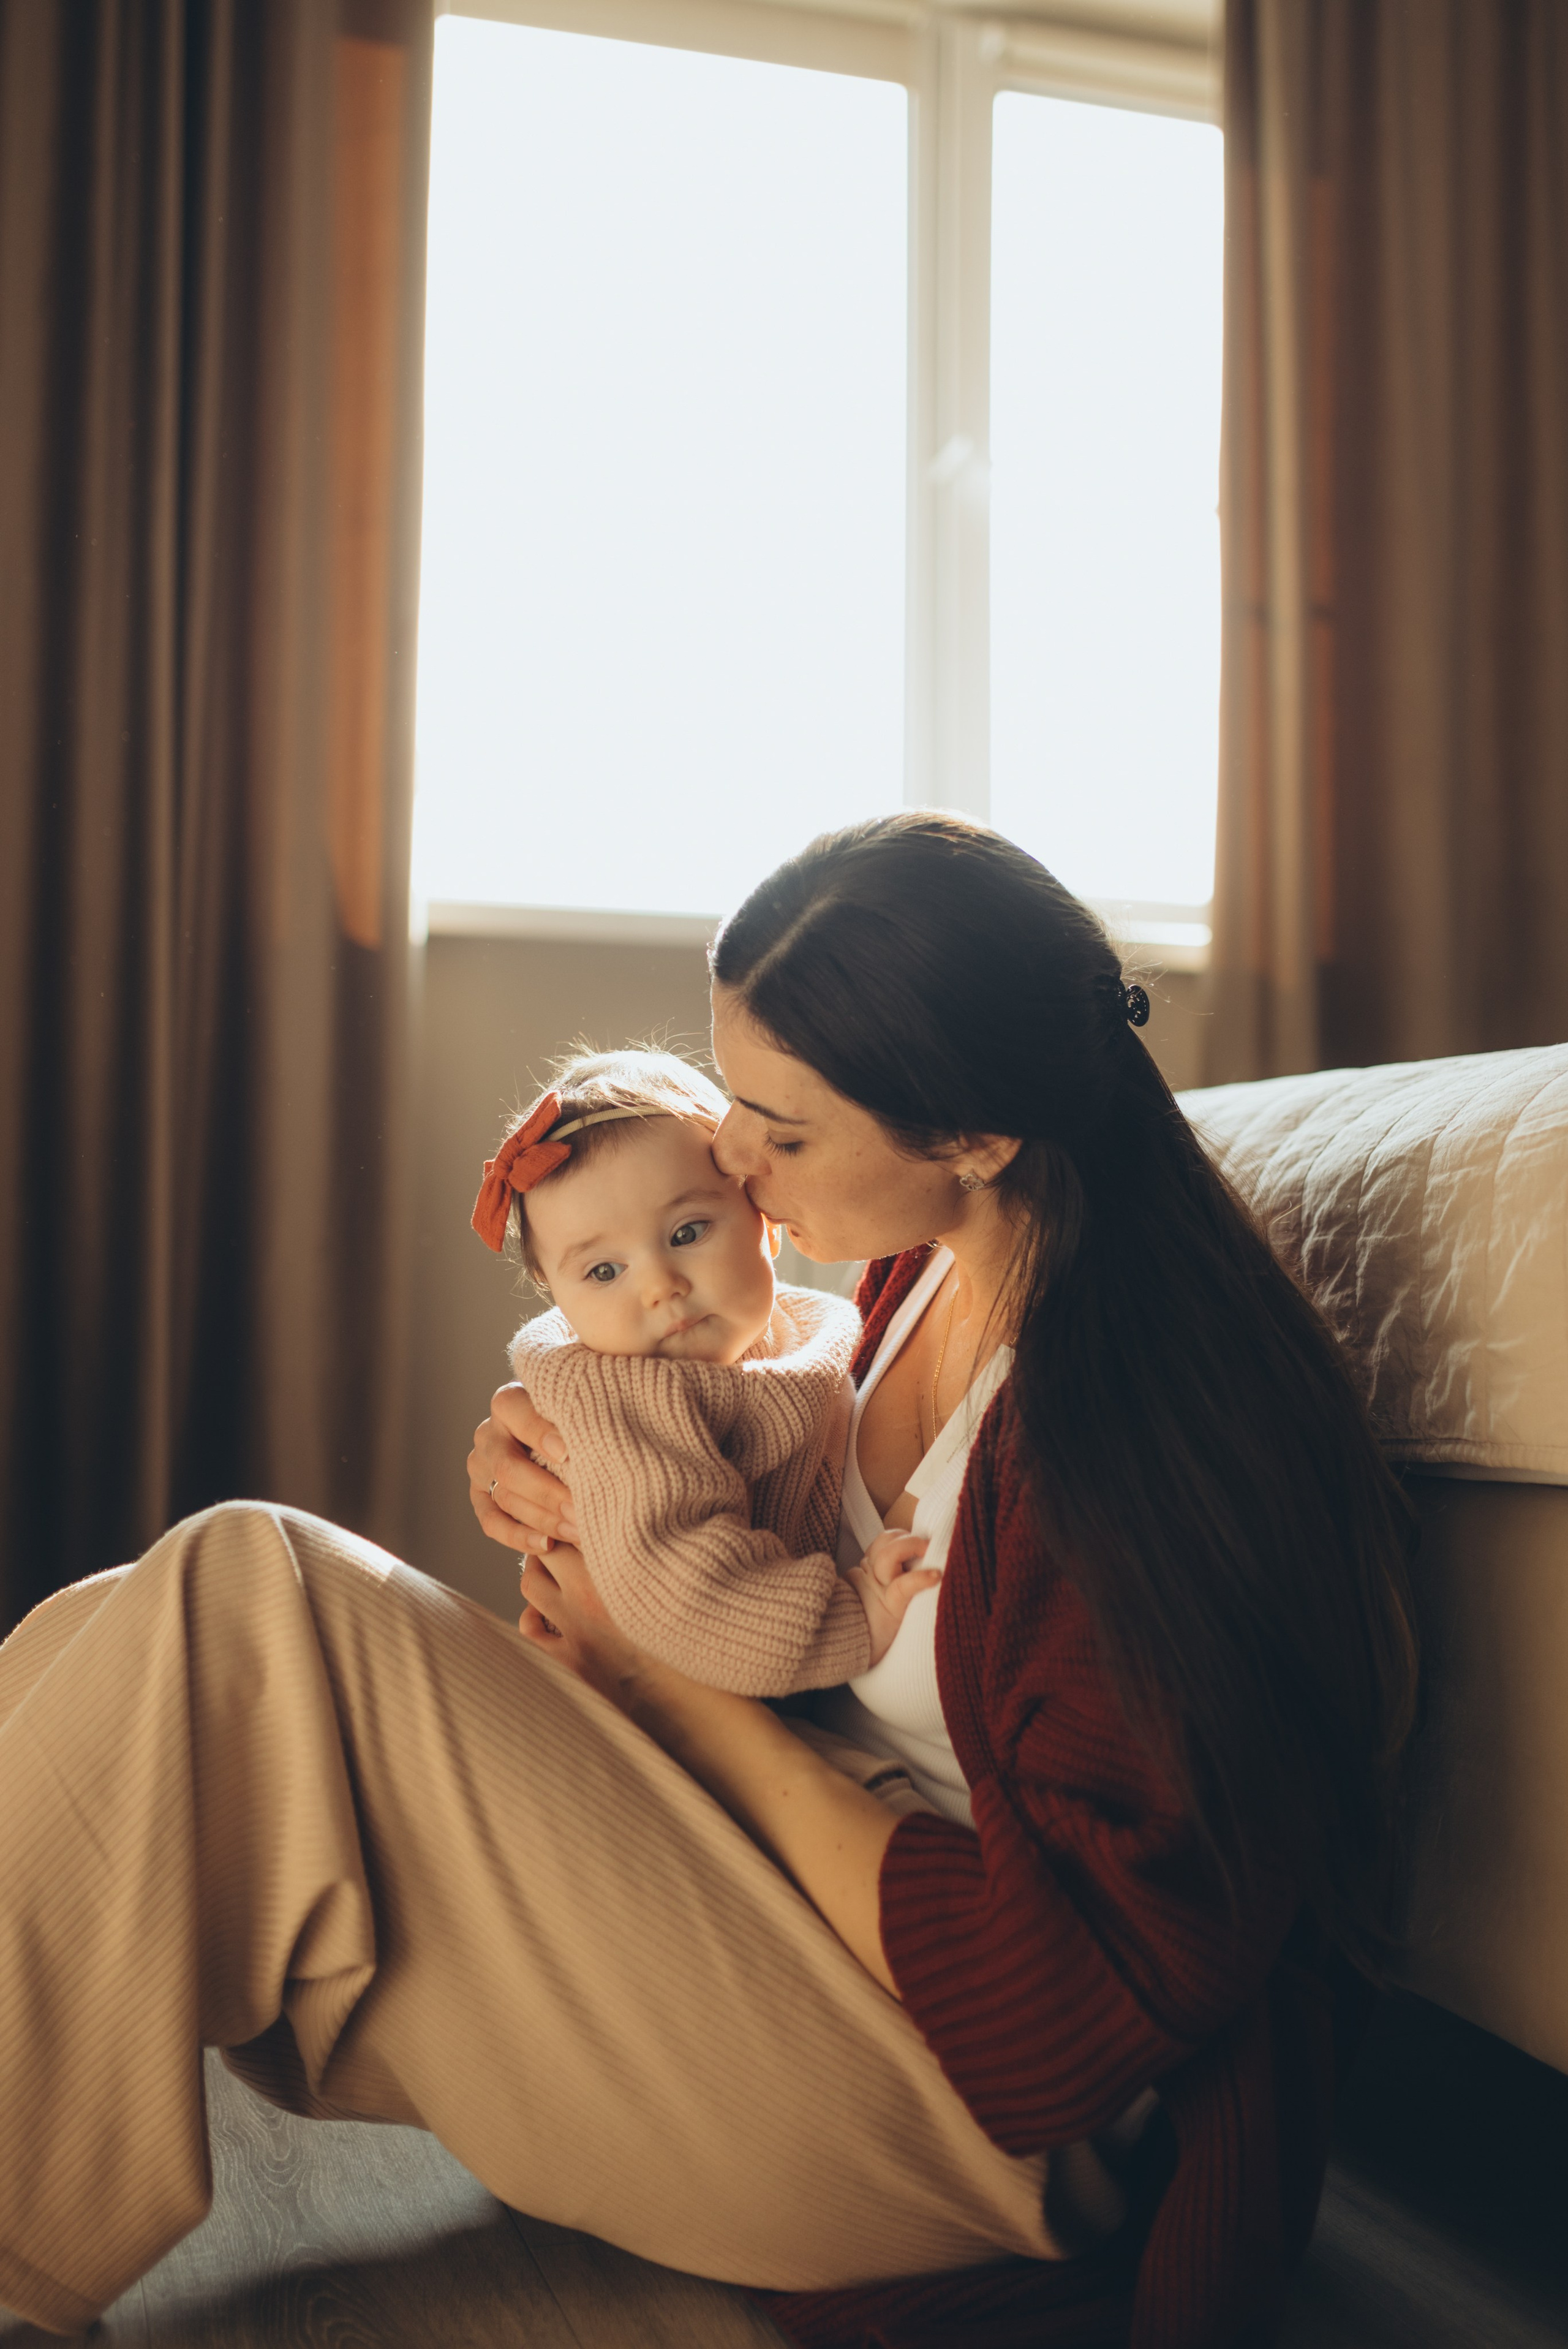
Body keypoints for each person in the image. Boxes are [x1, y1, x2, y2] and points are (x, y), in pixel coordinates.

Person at [0, 814, 1415, 2349]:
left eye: (781, 1130)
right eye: (733, 1098)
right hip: (773, 1915)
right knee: (132, 1629)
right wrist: (567, 1473)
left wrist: (672, 1690)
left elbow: (1055, 2026)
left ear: (974, 1132)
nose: (730, 1156)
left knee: (247, 1583)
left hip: (959, 2111)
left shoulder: (1127, 1437)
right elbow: (726, 1479)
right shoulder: (915, 1270)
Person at [480, 1045, 937, 1690]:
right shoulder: (628, 1404)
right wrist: (855, 1614)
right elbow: (687, 1594)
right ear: (559, 1297)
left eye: (687, 1232)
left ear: (763, 1222)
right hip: (645, 1714)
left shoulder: (789, 1339)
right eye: (604, 1272)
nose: (661, 1287)